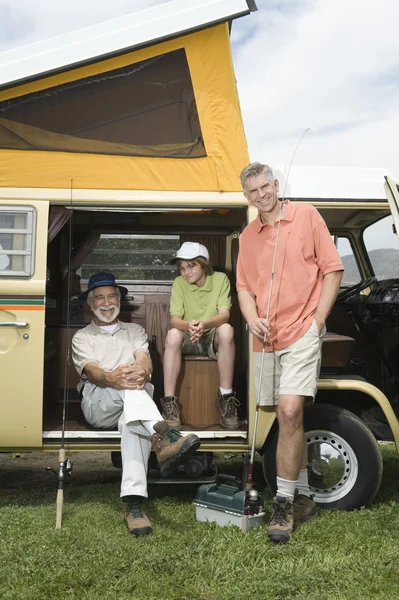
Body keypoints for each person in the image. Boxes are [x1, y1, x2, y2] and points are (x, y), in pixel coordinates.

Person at [237, 163, 344, 543]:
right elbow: (244, 288)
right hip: (265, 338)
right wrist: (251, 318)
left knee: (290, 409)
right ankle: (303, 498)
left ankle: (282, 505)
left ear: (276, 185)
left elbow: (333, 270)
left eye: (265, 186)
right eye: (253, 191)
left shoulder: (307, 215)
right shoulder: (247, 236)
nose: (261, 195)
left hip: (302, 331)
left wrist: (317, 322)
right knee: (283, 419)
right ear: (246, 197)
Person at [72, 271, 200, 537]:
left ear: (119, 300)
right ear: (90, 304)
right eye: (99, 298)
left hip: (133, 407)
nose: (106, 303)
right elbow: (94, 373)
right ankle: (166, 437)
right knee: (132, 389)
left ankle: (134, 505)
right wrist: (112, 377)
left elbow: (144, 360)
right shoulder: (82, 337)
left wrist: (141, 372)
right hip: (99, 403)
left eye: (111, 297)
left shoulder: (135, 331)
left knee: (133, 424)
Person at [161, 242, 240, 430]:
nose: (186, 272)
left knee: (227, 329)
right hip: (187, 335)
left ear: (204, 264)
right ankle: (170, 405)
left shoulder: (221, 279)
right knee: (172, 335)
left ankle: (226, 399)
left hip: (211, 335)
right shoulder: (179, 283)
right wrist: (190, 325)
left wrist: (204, 325)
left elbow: (224, 315)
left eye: (191, 266)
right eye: (181, 268)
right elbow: (175, 320)